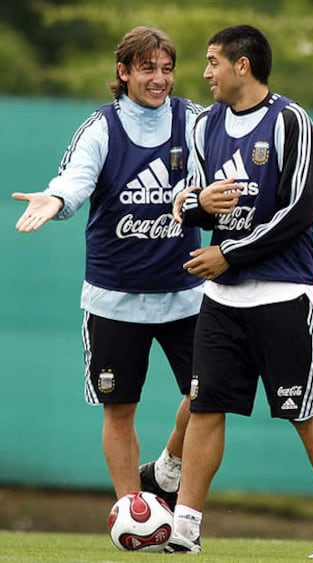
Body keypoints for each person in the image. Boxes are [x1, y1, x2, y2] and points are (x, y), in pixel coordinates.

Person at [167, 24, 313, 559]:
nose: (205, 73)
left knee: (305, 411)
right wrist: (198, 207)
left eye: (212, 62)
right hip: (221, 299)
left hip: (283, 294)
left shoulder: (290, 121)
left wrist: (229, 252)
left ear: (242, 66)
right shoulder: (205, 124)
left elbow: (301, 209)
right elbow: (186, 199)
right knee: (205, 407)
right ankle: (184, 528)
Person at [11, 25, 206, 511]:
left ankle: (167, 469)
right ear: (123, 72)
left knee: (209, 396)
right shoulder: (101, 127)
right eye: (147, 69)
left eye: (166, 69)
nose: (159, 79)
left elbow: (229, 162)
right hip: (115, 299)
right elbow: (75, 179)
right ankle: (134, 514)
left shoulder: (196, 122)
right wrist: (55, 198)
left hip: (186, 294)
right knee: (120, 410)